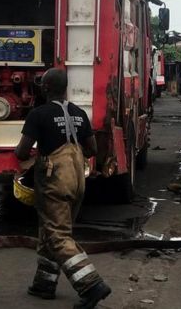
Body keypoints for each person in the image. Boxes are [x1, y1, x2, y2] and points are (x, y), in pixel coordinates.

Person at [15, 68, 111, 309]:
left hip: (53, 181)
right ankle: (44, 284)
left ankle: (91, 285)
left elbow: (22, 152)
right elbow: (91, 150)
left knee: (57, 235)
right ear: (65, 88)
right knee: (51, 230)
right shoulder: (79, 113)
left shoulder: (38, 114)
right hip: (78, 180)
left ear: (45, 88)